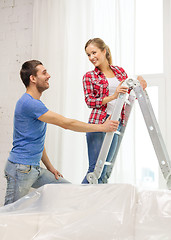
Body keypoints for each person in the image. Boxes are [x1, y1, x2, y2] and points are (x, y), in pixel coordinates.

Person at [4, 60, 119, 205]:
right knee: (9, 214)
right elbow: (66, 123)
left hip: (34, 169)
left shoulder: (35, 104)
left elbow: (38, 141)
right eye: (44, 73)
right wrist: (102, 127)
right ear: (32, 79)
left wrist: (50, 167)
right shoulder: (29, 103)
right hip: (20, 169)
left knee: (69, 190)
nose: (49, 76)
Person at [82, 38, 147, 184]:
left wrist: (140, 82)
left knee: (104, 173)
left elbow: (129, 95)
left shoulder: (119, 71)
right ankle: (79, 204)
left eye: (94, 52)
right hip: (98, 124)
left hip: (116, 123)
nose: (91, 57)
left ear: (104, 51)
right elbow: (90, 101)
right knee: (94, 171)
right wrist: (113, 96)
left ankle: (98, 205)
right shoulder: (89, 76)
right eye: (88, 55)